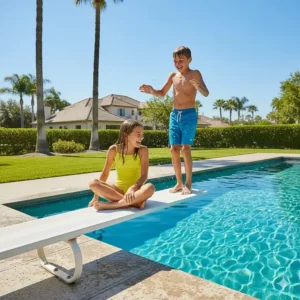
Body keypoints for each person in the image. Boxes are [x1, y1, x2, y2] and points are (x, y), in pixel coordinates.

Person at [139, 46, 209, 195]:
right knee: (174, 149)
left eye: (181, 60)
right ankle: (178, 182)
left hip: (189, 114)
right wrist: (152, 91)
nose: (178, 63)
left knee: (185, 148)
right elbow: (162, 93)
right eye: (175, 61)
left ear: (189, 60)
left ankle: (188, 183)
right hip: (174, 114)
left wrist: (199, 87)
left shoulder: (195, 73)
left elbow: (206, 93)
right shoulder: (173, 76)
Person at [89, 120, 155, 210]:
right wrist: (95, 197)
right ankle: (134, 203)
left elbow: (144, 176)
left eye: (142, 134)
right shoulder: (113, 150)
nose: (141, 137)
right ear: (126, 134)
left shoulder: (143, 150)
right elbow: (105, 173)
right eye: (138, 134)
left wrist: (132, 188)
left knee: (150, 187)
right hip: (118, 192)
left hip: (136, 191)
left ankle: (114, 205)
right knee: (93, 183)